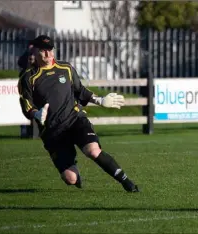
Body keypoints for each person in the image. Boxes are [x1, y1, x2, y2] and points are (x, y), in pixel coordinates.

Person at [18, 35, 139, 192]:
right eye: (43, 51)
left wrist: (99, 100)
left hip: (75, 120)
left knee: (93, 150)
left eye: (50, 50)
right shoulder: (28, 77)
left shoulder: (66, 68)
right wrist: (35, 114)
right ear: (35, 51)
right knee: (70, 178)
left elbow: (80, 91)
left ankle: (126, 182)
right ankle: (74, 172)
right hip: (53, 132)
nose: (48, 54)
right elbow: (26, 104)